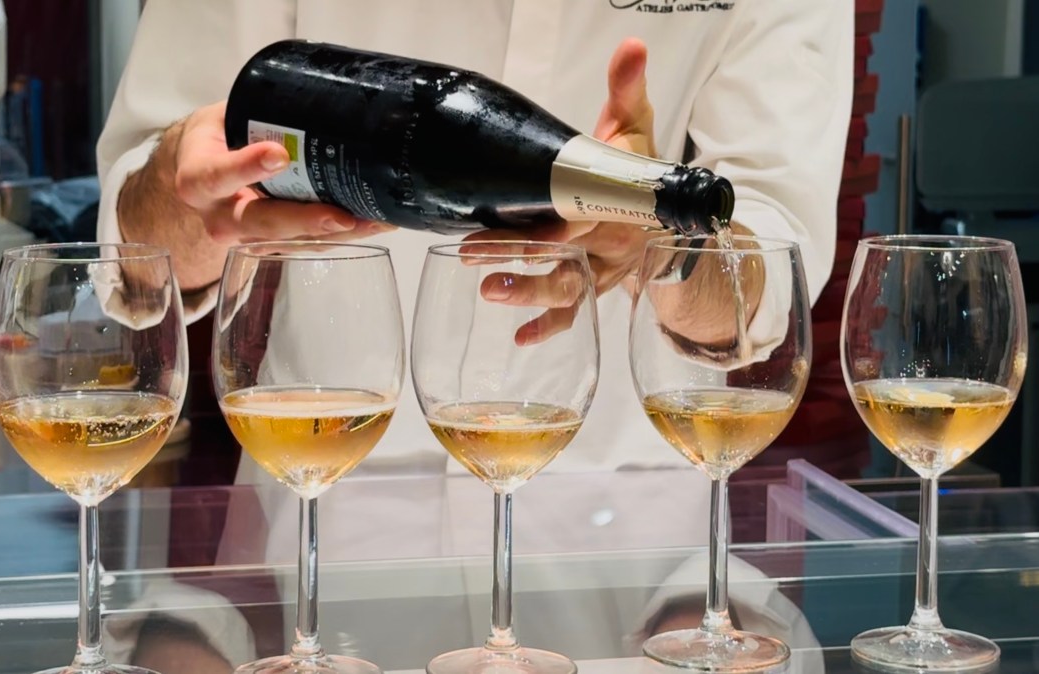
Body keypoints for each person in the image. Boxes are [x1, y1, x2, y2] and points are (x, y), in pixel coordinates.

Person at [94, 1, 849, 668]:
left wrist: (667, 248)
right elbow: (133, 247)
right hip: (316, 529)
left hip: (638, 572)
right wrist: (186, 184)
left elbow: (768, 277)